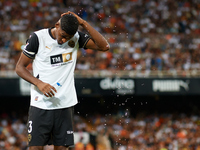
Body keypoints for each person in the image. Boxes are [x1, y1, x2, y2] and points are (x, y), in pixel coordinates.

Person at [15, 11, 110, 150]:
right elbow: (19, 68)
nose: (64, 40)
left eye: (69, 38)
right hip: (41, 104)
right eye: (63, 36)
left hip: (64, 105)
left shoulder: (76, 38)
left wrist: (83, 23)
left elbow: (104, 46)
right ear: (57, 25)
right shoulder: (38, 38)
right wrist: (39, 83)